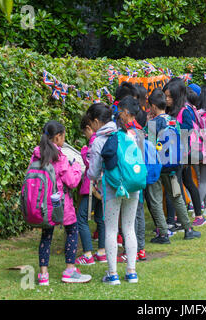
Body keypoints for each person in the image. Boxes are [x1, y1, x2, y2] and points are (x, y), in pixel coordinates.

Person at [32, 120, 91, 285]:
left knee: (46, 236)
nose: (64, 139)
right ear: (57, 137)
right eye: (63, 136)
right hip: (60, 203)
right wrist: (77, 168)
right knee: (72, 231)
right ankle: (70, 270)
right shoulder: (59, 157)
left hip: (43, 204)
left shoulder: (37, 154)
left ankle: (43, 275)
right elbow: (71, 182)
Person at [86, 103, 138, 285]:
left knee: (111, 229)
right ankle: (132, 272)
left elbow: (92, 173)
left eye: (90, 123)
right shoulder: (127, 134)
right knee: (129, 228)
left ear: (95, 121)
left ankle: (113, 274)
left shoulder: (99, 140)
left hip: (112, 188)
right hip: (133, 186)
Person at [145, 88, 201, 243]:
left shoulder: (152, 124)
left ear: (154, 107)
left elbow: (148, 146)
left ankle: (163, 234)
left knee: (156, 199)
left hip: (157, 168)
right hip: (174, 168)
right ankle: (188, 229)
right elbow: (183, 142)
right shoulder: (174, 121)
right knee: (177, 197)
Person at [164, 79, 206, 227]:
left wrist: (173, 125)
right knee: (186, 183)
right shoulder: (171, 111)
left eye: (169, 96)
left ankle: (183, 218)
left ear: (177, 96)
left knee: (179, 185)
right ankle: (194, 215)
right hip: (178, 154)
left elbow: (187, 133)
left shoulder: (184, 111)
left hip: (183, 155)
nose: (166, 99)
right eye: (165, 96)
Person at [117, 96, 148, 263]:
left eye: (120, 111)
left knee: (130, 215)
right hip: (140, 173)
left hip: (128, 176)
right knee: (139, 213)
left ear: (127, 112)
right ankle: (140, 249)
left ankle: (131, 251)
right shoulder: (141, 131)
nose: (119, 114)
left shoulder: (125, 132)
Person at [75, 115, 106, 266]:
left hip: (92, 186)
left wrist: (83, 151)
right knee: (101, 218)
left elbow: (91, 162)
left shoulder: (94, 141)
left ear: (89, 128)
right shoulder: (106, 137)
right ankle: (102, 252)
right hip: (104, 185)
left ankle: (88, 254)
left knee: (81, 217)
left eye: (84, 132)